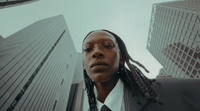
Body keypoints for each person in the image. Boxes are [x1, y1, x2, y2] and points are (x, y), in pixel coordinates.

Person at [82, 29, 200, 111]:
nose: (96, 52)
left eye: (108, 45)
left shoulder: (175, 91)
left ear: (121, 59)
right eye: (88, 49)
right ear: (83, 64)